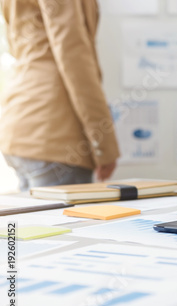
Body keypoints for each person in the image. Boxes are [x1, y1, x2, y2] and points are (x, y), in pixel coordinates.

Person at [0, 0, 120, 191]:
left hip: (19, 127)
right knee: (64, 221)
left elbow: (17, 44)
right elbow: (74, 58)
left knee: (28, 221)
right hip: (56, 135)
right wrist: (103, 145)